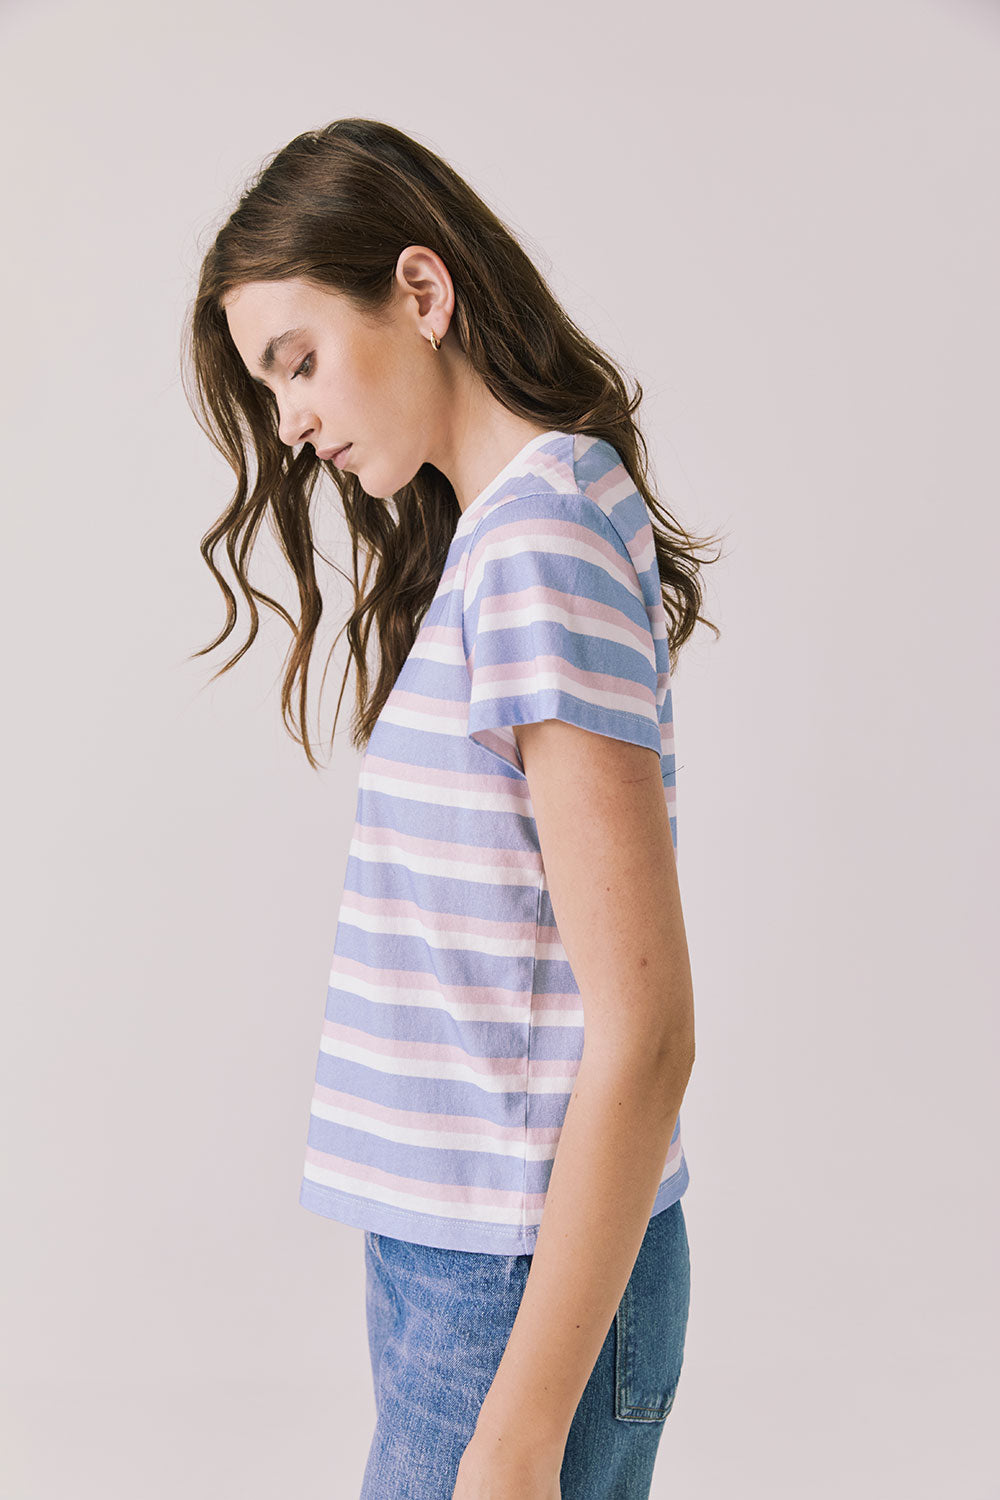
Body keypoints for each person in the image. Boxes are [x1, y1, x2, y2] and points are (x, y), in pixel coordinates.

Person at [183, 116, 723, 1500]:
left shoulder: (537, 543)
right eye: (270, 386)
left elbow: (649, 1031)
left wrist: (519, 1427)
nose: (290, 419)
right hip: (466, 1265)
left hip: (513, 1283)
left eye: (297, 360)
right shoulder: (512, 534)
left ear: (421, 294)